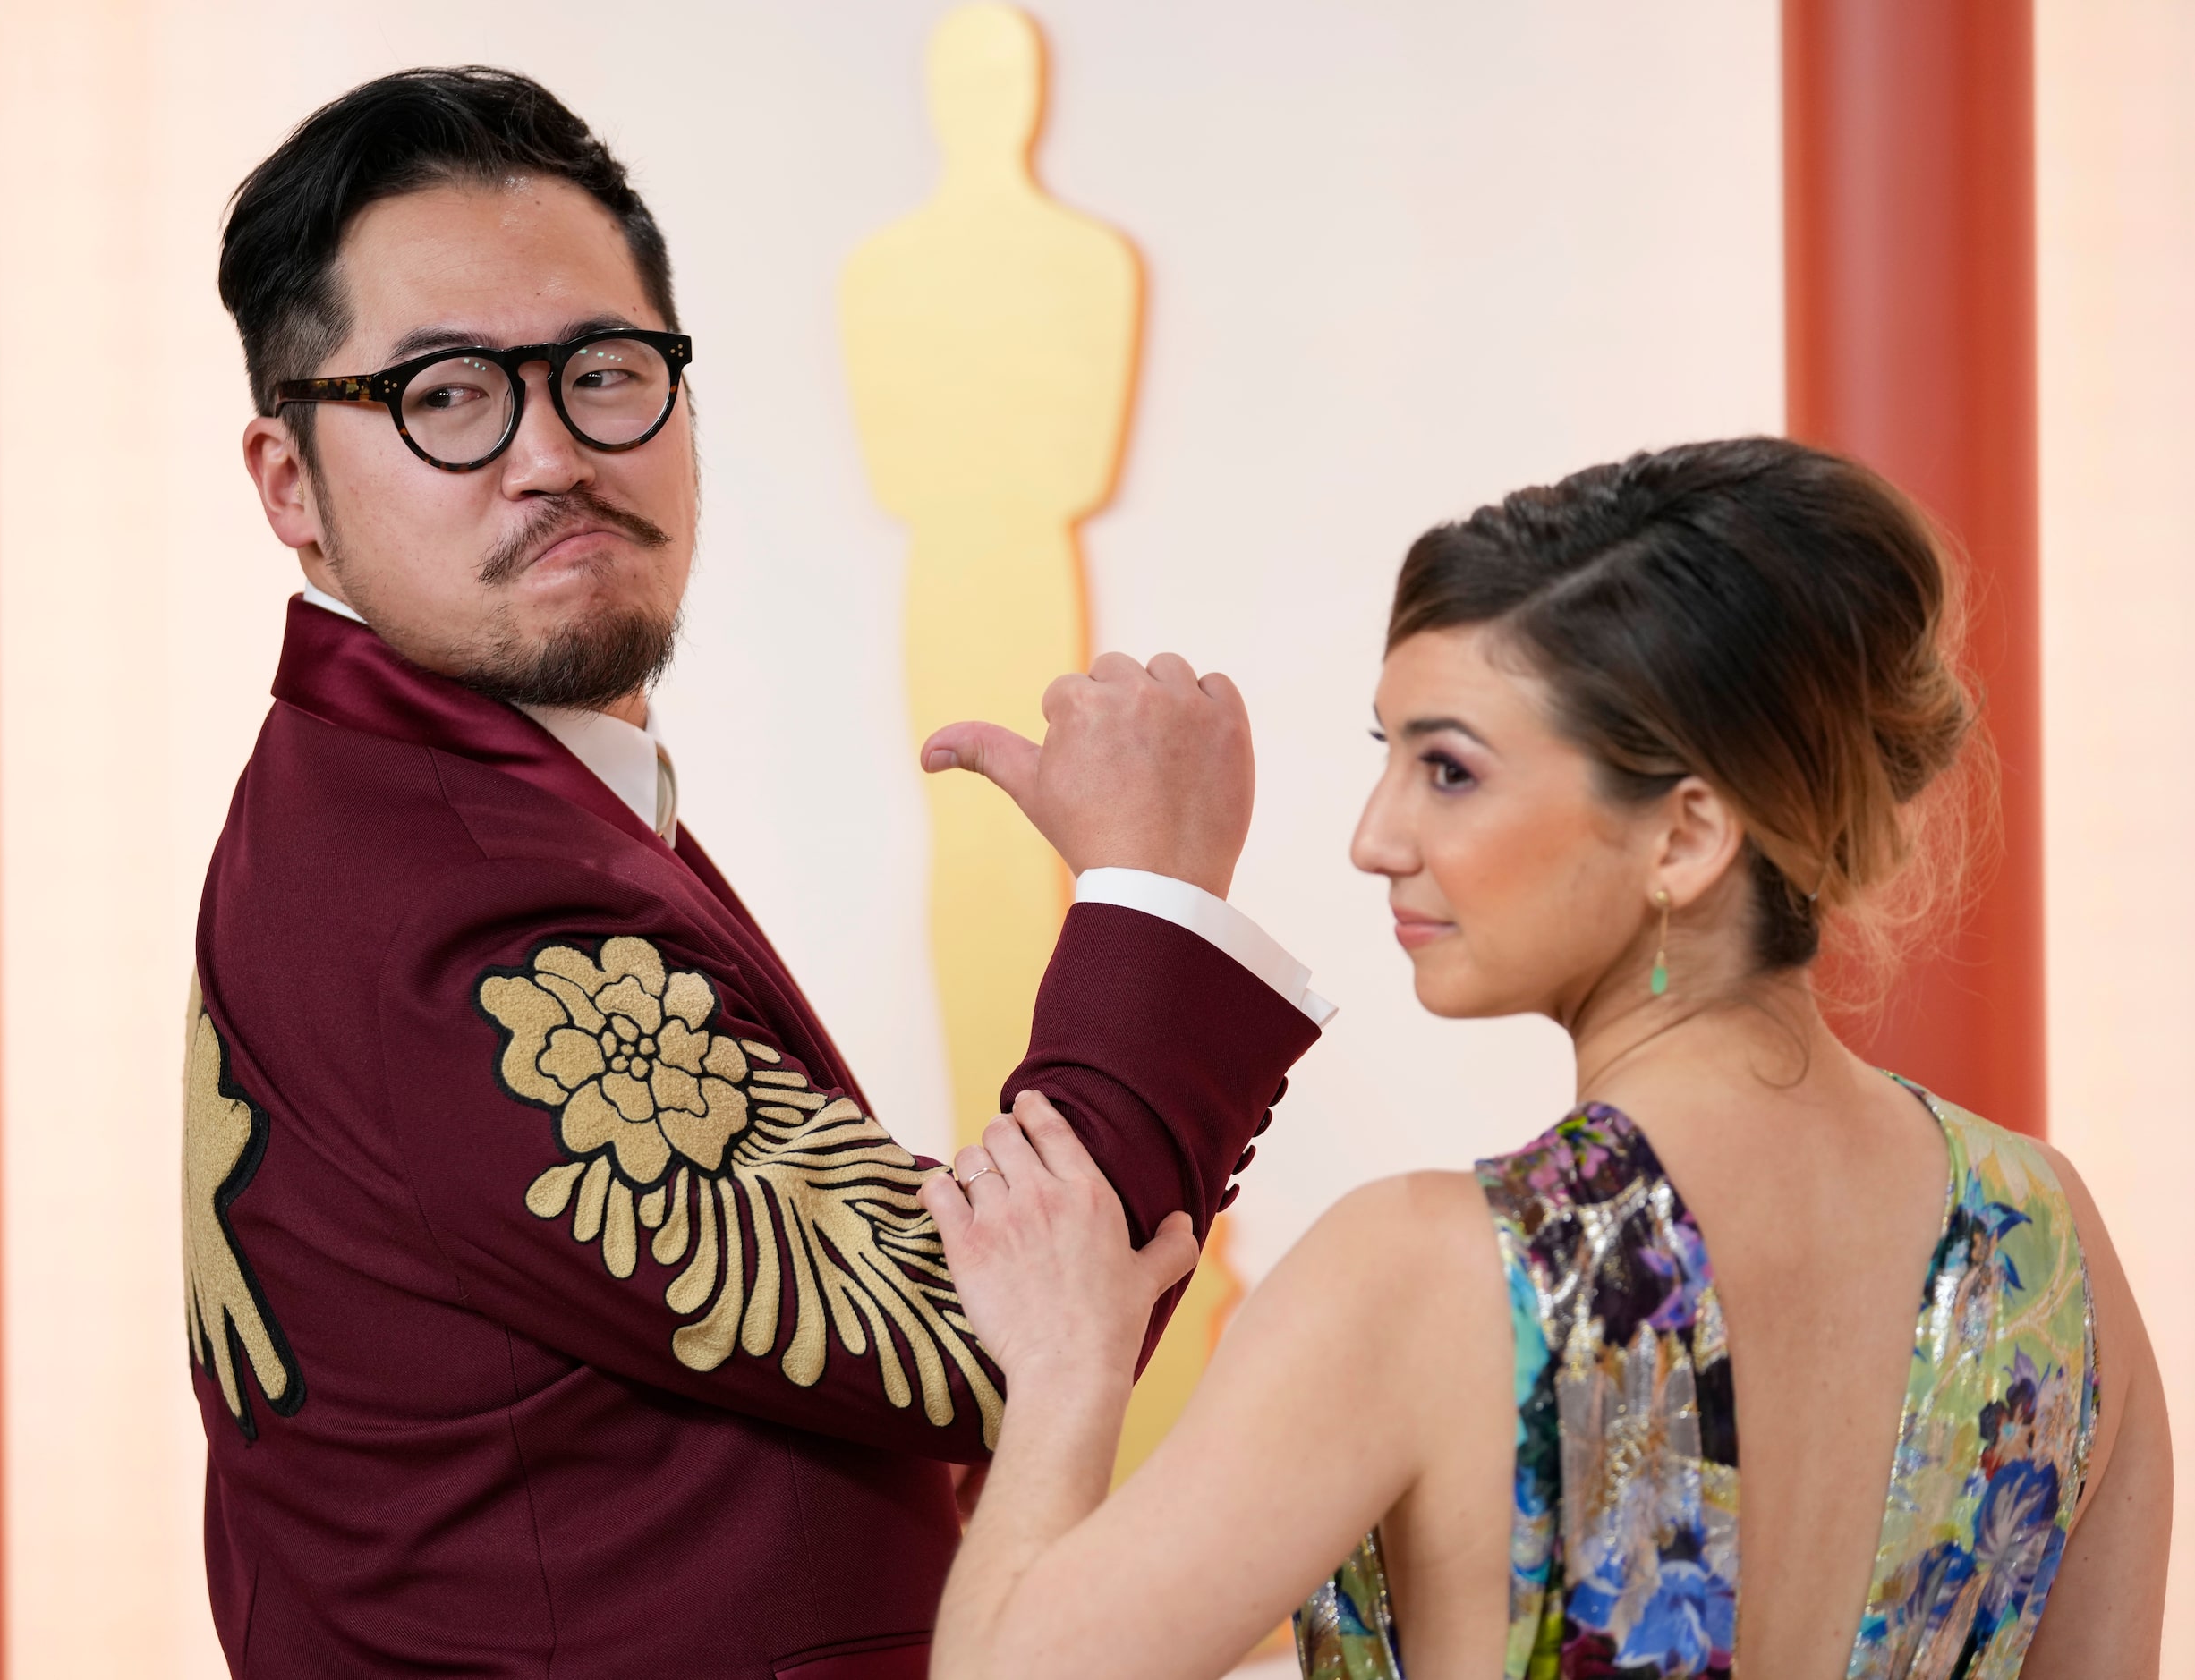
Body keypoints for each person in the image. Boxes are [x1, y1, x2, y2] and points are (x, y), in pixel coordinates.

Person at [183, 65, 1331, 1679]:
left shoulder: (445, 789)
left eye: (602, 369)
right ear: (290, 483)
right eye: (447, 394)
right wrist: (1154, 887)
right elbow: (986, 1335)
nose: (551, 455)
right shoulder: (459, 896)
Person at [917, 438, 2172, 1678]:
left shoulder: (1425, 1273)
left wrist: (1066, 1373)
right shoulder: (2053, 1245)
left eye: (1448, 769)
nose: (1374, 837)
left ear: (1684, 834)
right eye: (1388, 757)